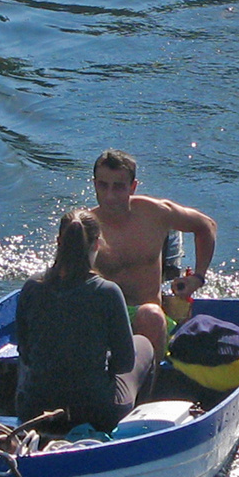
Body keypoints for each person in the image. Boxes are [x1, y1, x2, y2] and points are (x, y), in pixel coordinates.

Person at [14, 209, 155, 435]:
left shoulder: (32, 286)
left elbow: (26, 352)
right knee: (143, 345)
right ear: (97, 244)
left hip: (34, 412)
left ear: (59, 241)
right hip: (96, 413)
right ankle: (131, 434)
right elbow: (124, 363)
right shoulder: (107, 292)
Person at [90, 148, 217, 357]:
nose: (110, 196)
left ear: (133, 187)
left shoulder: (154, 213)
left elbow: (206, 226)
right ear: (95, 184)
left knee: (149, 315)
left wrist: (198, 277)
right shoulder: (85, 225)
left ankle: (149, 383)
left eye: (119, 187)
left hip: (150, 318)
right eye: (103, 186)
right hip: (105, 319)